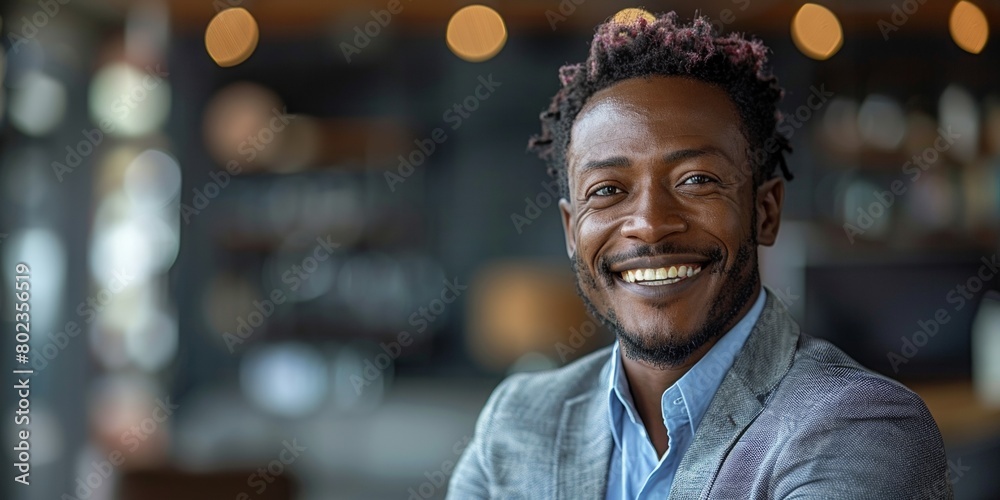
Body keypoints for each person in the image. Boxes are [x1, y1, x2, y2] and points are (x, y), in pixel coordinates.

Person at [447, 11, 952, 500]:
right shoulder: (517, 421)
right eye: (606, 190)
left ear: (765, 211)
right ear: (569, 230)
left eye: (696, 180)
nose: (648, 224)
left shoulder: (861, 426)